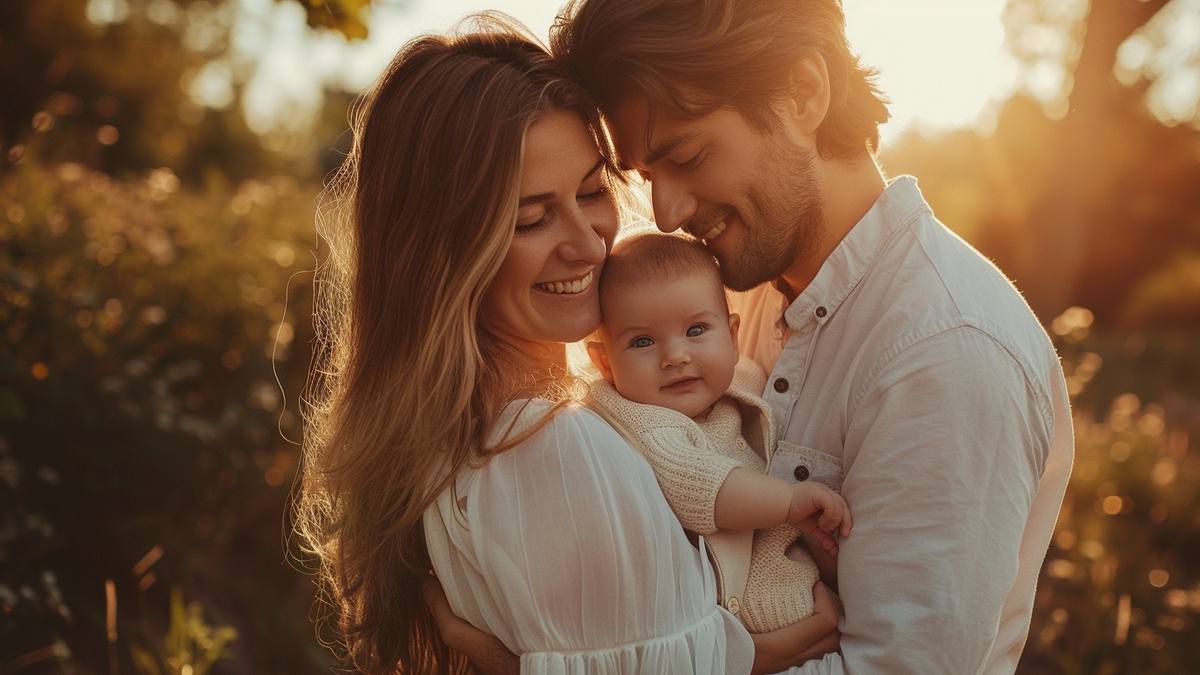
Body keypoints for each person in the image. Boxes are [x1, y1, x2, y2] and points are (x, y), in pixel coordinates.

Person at [294, 17, 839, 675]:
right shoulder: (555, 450)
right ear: (442, 254)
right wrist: (750, 656)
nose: (588, 244)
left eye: (591, 192)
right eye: (531, 218)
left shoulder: (486, 435)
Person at [548, 0, 1077, 672]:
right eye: (650, 178)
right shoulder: (731, 290)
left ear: (803, 91)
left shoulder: (946, 349)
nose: (668, 212)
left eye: (688, 156)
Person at [584, 232, 852, 635]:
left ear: (731, 336)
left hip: (795, 576)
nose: (675, 356)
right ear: (605, 363)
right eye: (643, 341)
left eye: (695, 330)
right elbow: (702, 485)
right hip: (745, 608)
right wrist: (791, 501)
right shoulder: (638, 419)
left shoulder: (745, 379)